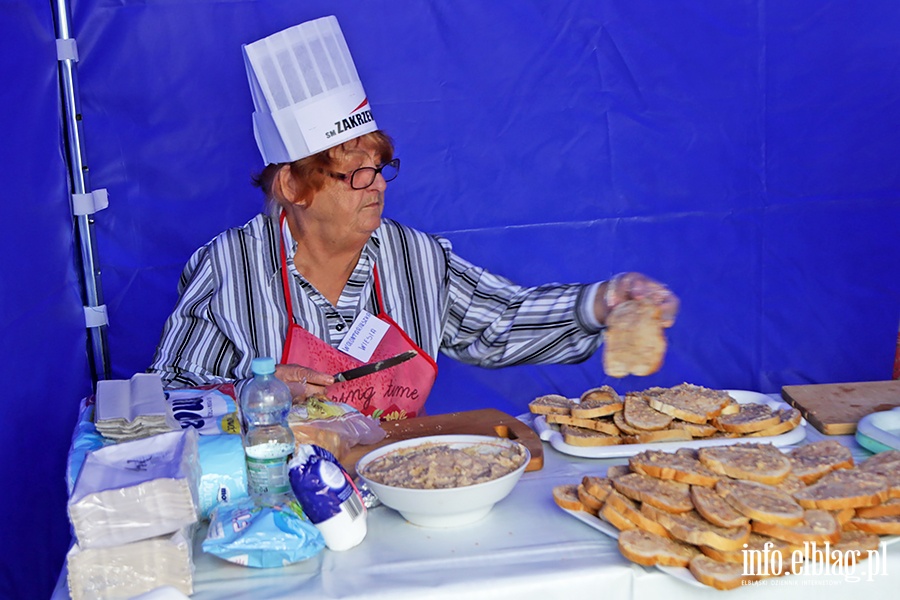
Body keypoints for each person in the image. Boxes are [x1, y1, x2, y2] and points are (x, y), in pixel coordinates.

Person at [148, 17, 678, 421]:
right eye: (353, 173)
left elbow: (501, 321)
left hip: (398, 489)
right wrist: (253, 394)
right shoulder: (228, 268)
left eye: (379, 168)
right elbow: (166, 392)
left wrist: (602, 302)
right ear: (292, 187)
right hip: (277, 503)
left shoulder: (415, 258)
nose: (376, 184)